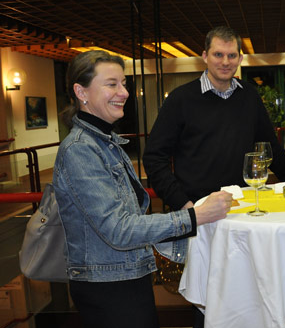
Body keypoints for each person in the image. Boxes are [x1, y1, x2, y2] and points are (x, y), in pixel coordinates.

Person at [53, 50, 233, 328]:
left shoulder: (106, 142)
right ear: (81, 92)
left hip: (126, 278)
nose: (124, 92)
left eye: (123, 83)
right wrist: (196, 217)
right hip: (108, 288)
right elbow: (119, 230)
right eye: (111, 84)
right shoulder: (80, 150)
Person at [143, 26, 285, 328]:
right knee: (206, 296)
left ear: (240, 57)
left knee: (247, 290)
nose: (225, 61)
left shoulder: (250, 97)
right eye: (218, 54)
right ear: (204, 56)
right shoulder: (181, 99)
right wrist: (185, 205)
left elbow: (272, 152)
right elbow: (154, 157)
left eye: (231, 55)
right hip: (200, 217)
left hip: (241, 216)